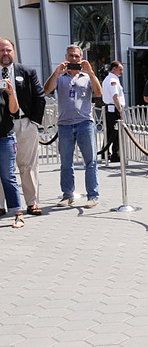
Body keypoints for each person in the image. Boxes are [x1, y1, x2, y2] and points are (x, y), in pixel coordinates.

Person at [43, 45, 103, 208]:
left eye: (77, 56)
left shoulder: (86, 76)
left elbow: (99, 93)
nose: (74, 59)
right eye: (71, 56)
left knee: (90, 161)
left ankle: (92, 195)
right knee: (66, 162)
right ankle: (68, 195)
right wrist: (56, 72)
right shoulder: (60, 77)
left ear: (81, 57)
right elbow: (47, 90)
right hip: (65, 125)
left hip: (85, 123)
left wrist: (91, 73)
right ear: (66, 57)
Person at [0, 37, 46, 216]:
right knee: (2, 168)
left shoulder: (27, 71)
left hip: (24, 123)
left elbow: (40, 96)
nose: (5, 54)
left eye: (8, 50)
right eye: (1, 50)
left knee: (27, 165)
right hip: (2, 126)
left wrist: (33, 122)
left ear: (14, 51)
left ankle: (32, 202)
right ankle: (1, 205)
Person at [0, 68, 24, 227]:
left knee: (8, 176)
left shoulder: (3, 88)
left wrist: (11, 92)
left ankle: (18, 213)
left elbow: (14, 111)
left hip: (5, 137)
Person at [101, 60, 125, 163]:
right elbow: (115, 96)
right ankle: (116, 154)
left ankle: (105, 152)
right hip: (113, 108)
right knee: (115, 132)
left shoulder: (111, 78)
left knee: (110, 131)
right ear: (114, 69)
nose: (121, 72)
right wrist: (120, 109)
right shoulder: (112, 80)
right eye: (120, 69)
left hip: (111, 108)